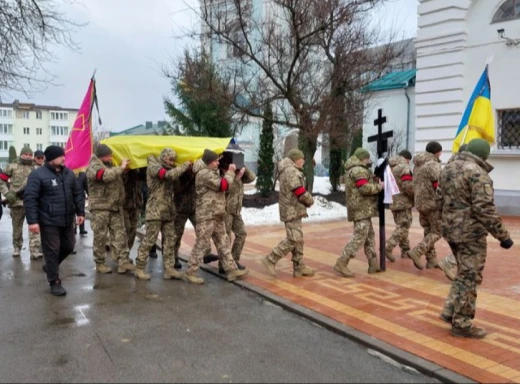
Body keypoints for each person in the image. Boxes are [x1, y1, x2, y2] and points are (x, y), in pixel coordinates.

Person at [438, 139, 513, 338]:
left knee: (463, 272)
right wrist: (503, 237)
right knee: (470, 277)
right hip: (470, 234)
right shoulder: (478, 174)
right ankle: (462, 323)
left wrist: (446, 222)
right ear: (484, 155)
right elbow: (484, 209)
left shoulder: (448, 168)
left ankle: (449, 310)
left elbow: (439, 200)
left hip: (451, 231)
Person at [23, 145, 85, 296]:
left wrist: (80, 212)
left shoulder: (69, 174)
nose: (64, 158)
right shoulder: (37, 175)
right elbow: (30, 198)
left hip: (66, 219)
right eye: (60, 156)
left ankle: (51, 266)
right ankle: (54, 281)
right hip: (48, 220)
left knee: (69, 246)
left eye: (64, 155)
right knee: (52, 250)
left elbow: (78, 193)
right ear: (51, 159)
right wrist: (32, 221)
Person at [185, 149, 249, 284]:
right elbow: (223, 185)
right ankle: (190, 272)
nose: (218, 162)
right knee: (201, 244)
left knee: (223, 243)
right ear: (209, 162)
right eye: (215, 161)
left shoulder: (211, 172)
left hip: (217, 214)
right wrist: (231, 172)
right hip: (207, 215)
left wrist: (235, 177)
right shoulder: (204, 174)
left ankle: (231, 270)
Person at [134, 148, 191, 280]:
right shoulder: (154, 166)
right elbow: (167, 175)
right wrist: (184, 165)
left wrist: (188, 175)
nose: (172, 163)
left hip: (168, 212)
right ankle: (140, 268)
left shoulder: (171, 170)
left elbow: (178, 188)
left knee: (170, 241)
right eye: (170, 160)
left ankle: (169, 268)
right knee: (149, 240)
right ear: (164, 157)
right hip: (155, 211)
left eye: (173, 161)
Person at [261, 148, 315, 278]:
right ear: (297, 159)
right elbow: (298, 190)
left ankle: (299, 267)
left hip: (294, 209)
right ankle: (271, 259)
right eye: (302, 159)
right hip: (291, 210)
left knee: (299, 240)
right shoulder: (291, 171)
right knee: (293, 238)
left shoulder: (290, 170)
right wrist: (309, 200)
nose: (303, 161)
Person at [334, 148, 383, 277]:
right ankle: (342, 262)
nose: (369, 161)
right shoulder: (359, 170)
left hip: (362, 209)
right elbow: (364, 188)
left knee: (369, 237)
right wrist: (379, 187)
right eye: (367, 158)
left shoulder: (354, 169)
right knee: (360, 237)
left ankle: (373, 264)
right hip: (361, 209)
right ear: (363, 158)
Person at [86, 144, 134, 274]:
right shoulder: (93, 167)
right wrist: (121, 167)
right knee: (100, 237)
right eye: (109, 156)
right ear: (102, 156)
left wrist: (123, 171)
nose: (111, 158)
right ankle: (100, 263)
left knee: (120, 234)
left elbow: (116, 180)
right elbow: (105, 176)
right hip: (100, 208)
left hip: (114, 207)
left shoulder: (110, 166)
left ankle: (123, 261)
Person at [0, 146, 42, 259]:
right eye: (26, 154)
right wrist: (7, 193)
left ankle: (34, 251)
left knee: (34, 227)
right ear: (21, 154)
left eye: (30, 155)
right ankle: (17, 247)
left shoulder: (36, 168)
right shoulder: (12, 166)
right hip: (17, 202)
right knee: (17, 227)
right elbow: (1, 180)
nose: (28, 156)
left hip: (33, 203)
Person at [407, 141, 443, 270]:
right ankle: (417, 251)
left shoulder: (418, 165)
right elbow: (438, 185)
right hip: (432, 203)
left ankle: (431, 260)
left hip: (420, 203)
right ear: (437, 152)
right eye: (440, 152)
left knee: (428, 230)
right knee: (438, 231)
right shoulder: (433, 165)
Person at [438, 144, 468, 281]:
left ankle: (460, 270)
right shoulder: (465, 169)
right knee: (468, 243)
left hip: (448, 211)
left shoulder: (447, 168)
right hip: (462, 212)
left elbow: (439, 193)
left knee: (459, 242)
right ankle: (449, 262)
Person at [222, 163, 256, 272]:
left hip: (236, 211)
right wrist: (236, 177)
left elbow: (252, 178)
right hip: (226, 210)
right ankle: (223, 265)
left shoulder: (240, 174)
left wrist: (243, 168)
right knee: (226, 238)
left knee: (242, 234)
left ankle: (234, 260)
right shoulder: (224, 173)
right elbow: (226, 189)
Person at [385, 150, 414, 260]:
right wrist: (414, 196)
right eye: (409, 161)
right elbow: (408, 185)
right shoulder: (404, 167)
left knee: (401, 226)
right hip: (403, 202)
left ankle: (405, 250)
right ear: (406, 159)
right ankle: (388, 246)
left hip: (393, 201)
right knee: (404, 226)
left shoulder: (389, 167)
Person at [75, 171, 88, 236]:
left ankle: (82, 228)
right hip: (70, 196)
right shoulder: (68, 174)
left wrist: (89, 194)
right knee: (71, 213)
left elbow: (86, 186)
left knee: (81, 212)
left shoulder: (83, 174)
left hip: (80, 196)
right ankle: (73, 228)